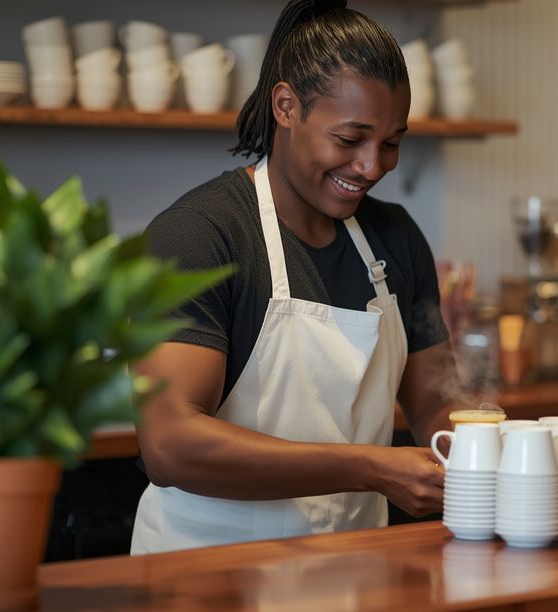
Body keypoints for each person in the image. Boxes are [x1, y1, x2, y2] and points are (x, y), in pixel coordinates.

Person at [130, 0, 457, 554]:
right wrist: (371, 469)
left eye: (392, 143)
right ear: (286, 106)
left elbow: (432, 404)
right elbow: (170, 443)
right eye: (350, 140)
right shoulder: (198, 236)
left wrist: (484, 447)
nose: (373, 167)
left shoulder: (395, 238)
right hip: (208, 575)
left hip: (355, 570)